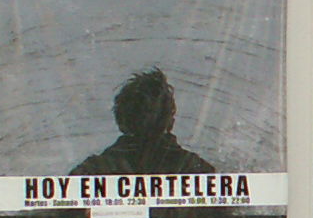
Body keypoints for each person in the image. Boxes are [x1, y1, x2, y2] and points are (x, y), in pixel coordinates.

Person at [69, 66, 215, 178]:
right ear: (170, 121)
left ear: (120, 119)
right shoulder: (198, 173)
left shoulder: (90, 173)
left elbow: (55, 214)